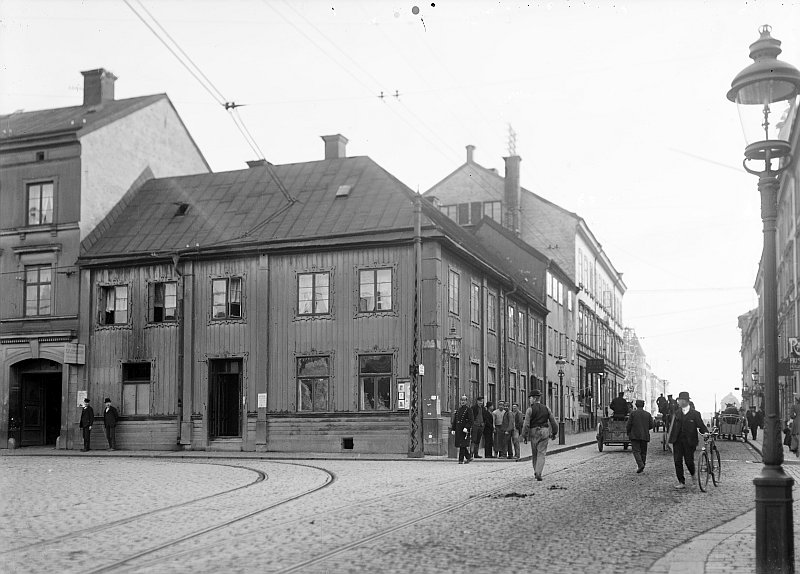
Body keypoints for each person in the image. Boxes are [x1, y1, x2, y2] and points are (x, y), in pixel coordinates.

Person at [668, 391, 709, 489]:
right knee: (677, 461)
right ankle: (681, 481)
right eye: (679, 400)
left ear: (686, 401)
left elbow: (701, 425)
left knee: (688, 461)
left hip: (689, 441)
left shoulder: (695, 414)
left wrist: (706, 432)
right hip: (677, 441)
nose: (680, 402)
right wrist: (669, 441)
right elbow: (672, 427)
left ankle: (693, 475)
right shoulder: (676, 413)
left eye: (682, 400)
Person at [521, 389, 558, 481]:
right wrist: (554, 432)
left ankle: (536, 471)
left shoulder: (530, 410)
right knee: (541, 453)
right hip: (545, 431)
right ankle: (539, 472)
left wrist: (524, 435)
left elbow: (526, 424)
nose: (529, 400)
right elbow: (553, 422)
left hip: (534, 432)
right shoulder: (546, 408)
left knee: (535, 453)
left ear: (534, 399)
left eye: (530, 398)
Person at [626, 399, 654, 473]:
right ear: (643, 405)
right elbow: (651, 425)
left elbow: (629, 424)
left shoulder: (633, 414)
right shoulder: (648, 414)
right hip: (644, 435)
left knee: (636, 451)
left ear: (636, 405)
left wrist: (628, 431)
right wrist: (645, 429)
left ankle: (640, 465)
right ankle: (642, 465)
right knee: (643, 452)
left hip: (635, 435)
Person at [450, 395, 474, 464]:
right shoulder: (458, 410)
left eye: (464, 400)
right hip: (458, 429)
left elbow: (471, 421)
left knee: (462, 445)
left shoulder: (468, 410)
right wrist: (453, 429)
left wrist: (467, 427)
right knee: (461, 444)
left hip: (464, 430)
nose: (462, 402)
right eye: (461, 400)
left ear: (466, 401)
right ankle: (469, 457)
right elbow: (455, 420)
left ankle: (461, 460)